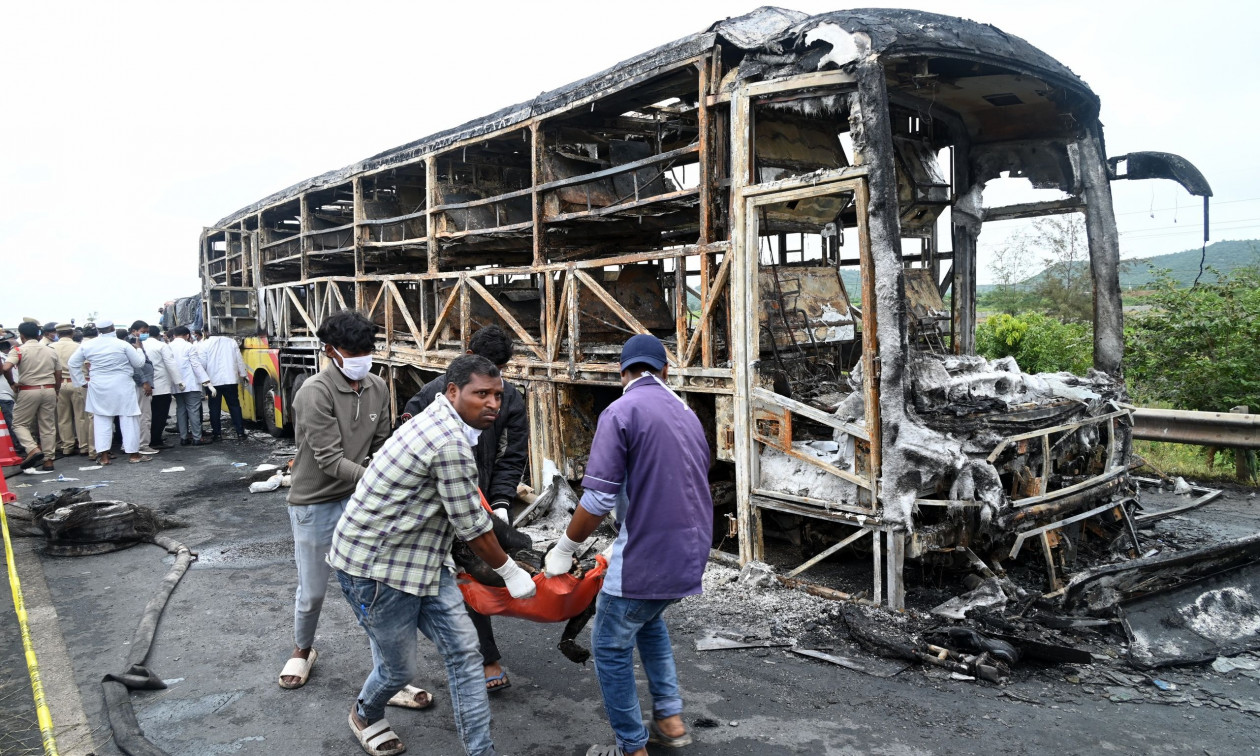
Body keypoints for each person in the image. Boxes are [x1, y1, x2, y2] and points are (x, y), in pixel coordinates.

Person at [329, 354, 536, 756]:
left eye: (497, 394)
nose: (493, 403)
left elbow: (471, 514)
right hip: (375, 567)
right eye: (482, 395)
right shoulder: (448, 441)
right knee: (398, 670)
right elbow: (473, 528)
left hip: (424, 559)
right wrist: (511, 571)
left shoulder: (447, 424)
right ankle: (365, 714)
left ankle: (481, 751)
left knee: (464, 652)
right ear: (453, 391)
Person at [544, 334, 712, 756]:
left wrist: (564, 548)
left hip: (647, 555)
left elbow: (598, 498)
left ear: (622, 372)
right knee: (647, 620)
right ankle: (670, 719)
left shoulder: (620, 412)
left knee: (609, 646)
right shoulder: (686, 413)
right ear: (666, 371)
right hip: (691, 552)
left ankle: (630, 747)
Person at [401, 325, 527, 693]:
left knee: (472, 573)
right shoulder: (429, 395)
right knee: (447, 575)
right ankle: (483, 658)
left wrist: (501, 502)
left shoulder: (510, 399)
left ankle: (474, 651)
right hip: (434, 501)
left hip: (483, 497)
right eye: (481, 388)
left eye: (498, 373)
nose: (491, 398)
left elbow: (513, 455)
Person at [278, 310, 392, 691]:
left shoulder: (378, 387)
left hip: (359, 499)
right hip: (314, 502)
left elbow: (382, 446)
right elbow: (329, 460)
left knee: (375, 589)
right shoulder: (314, 392)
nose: (362, 357)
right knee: (312, 590)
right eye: (352, 350)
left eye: (367, 349)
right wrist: (383, 480)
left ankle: (389, 672)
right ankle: (302, 649)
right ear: (330, 351)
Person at [68, 319, 148, 465]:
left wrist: (81, 382)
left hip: (99, 385)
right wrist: (139, 349)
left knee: (101, 420)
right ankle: (134, 455)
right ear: (112, 328)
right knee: (129, 419)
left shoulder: (87, 345)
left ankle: (104, 457)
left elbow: (72, 363)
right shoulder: (122, 344)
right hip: (122, 384)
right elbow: (138, 363)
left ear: (99, 330)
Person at [1, 321, 61, 470]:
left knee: (19, 423)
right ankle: (49, 461)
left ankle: (32, 449)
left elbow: (6, 367)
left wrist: (12, 383)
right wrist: (56, 390)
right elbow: (58, 373)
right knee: (47, 426)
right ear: (39, 334)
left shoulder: (19, 350)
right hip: (49, 389)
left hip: (28, 390)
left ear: (22, 336)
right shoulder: (51, 350)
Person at [198, 331, 249, 442]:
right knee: (234, 406)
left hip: (213, 382)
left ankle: (217, 434)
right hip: (230, 380)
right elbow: (239, 359)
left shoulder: (204, 344)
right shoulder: (231, 342)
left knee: (214, 408)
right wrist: (244, 374)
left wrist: (204, 380)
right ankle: (240, 433)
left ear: (207, 332)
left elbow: (202, 364)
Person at [165, 327, 211, 445]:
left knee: (181, 410)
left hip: (177, 383)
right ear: (187, 335)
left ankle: (184, 437)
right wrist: (206, 381)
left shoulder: (168, 347)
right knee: (194, 410)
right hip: (190, 383)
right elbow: (196, 365)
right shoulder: (189, 346)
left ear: (174, 335)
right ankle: (197, 438)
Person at [51, 323, 85, 457]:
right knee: (81, 417)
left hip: (59, 384)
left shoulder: (50, 347)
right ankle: (83, 446)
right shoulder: (79, 346)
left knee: (63, 417)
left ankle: (67, 446)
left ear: (57, 334)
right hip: (76, 383)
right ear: (71, 334)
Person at [144, 325, 180, 449]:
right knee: (160, 414)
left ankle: (147, 438)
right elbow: (171, 364)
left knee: (148, 414)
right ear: (158, 334)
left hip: (146, 385)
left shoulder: (141, 345)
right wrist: (179, 381)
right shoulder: (161, 346)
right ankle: (156, 440)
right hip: (161, 386)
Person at [127, 326, 160, 456]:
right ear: (134, 331)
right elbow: (137, 367)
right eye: (143, 332)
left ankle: (133, 444)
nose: (145, 334)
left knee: (137, 416)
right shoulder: (133, 345)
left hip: (138, 385)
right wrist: (145, 382)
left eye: (147, 332)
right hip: (140, 385)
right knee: (144, 416)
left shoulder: (136, 344)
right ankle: (143, 445)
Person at [0, 340, 18, 455]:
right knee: (12, 423)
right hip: (4, 395)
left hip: (15, 394)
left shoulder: (11, 355)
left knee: (15, 422)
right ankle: (19, 447)